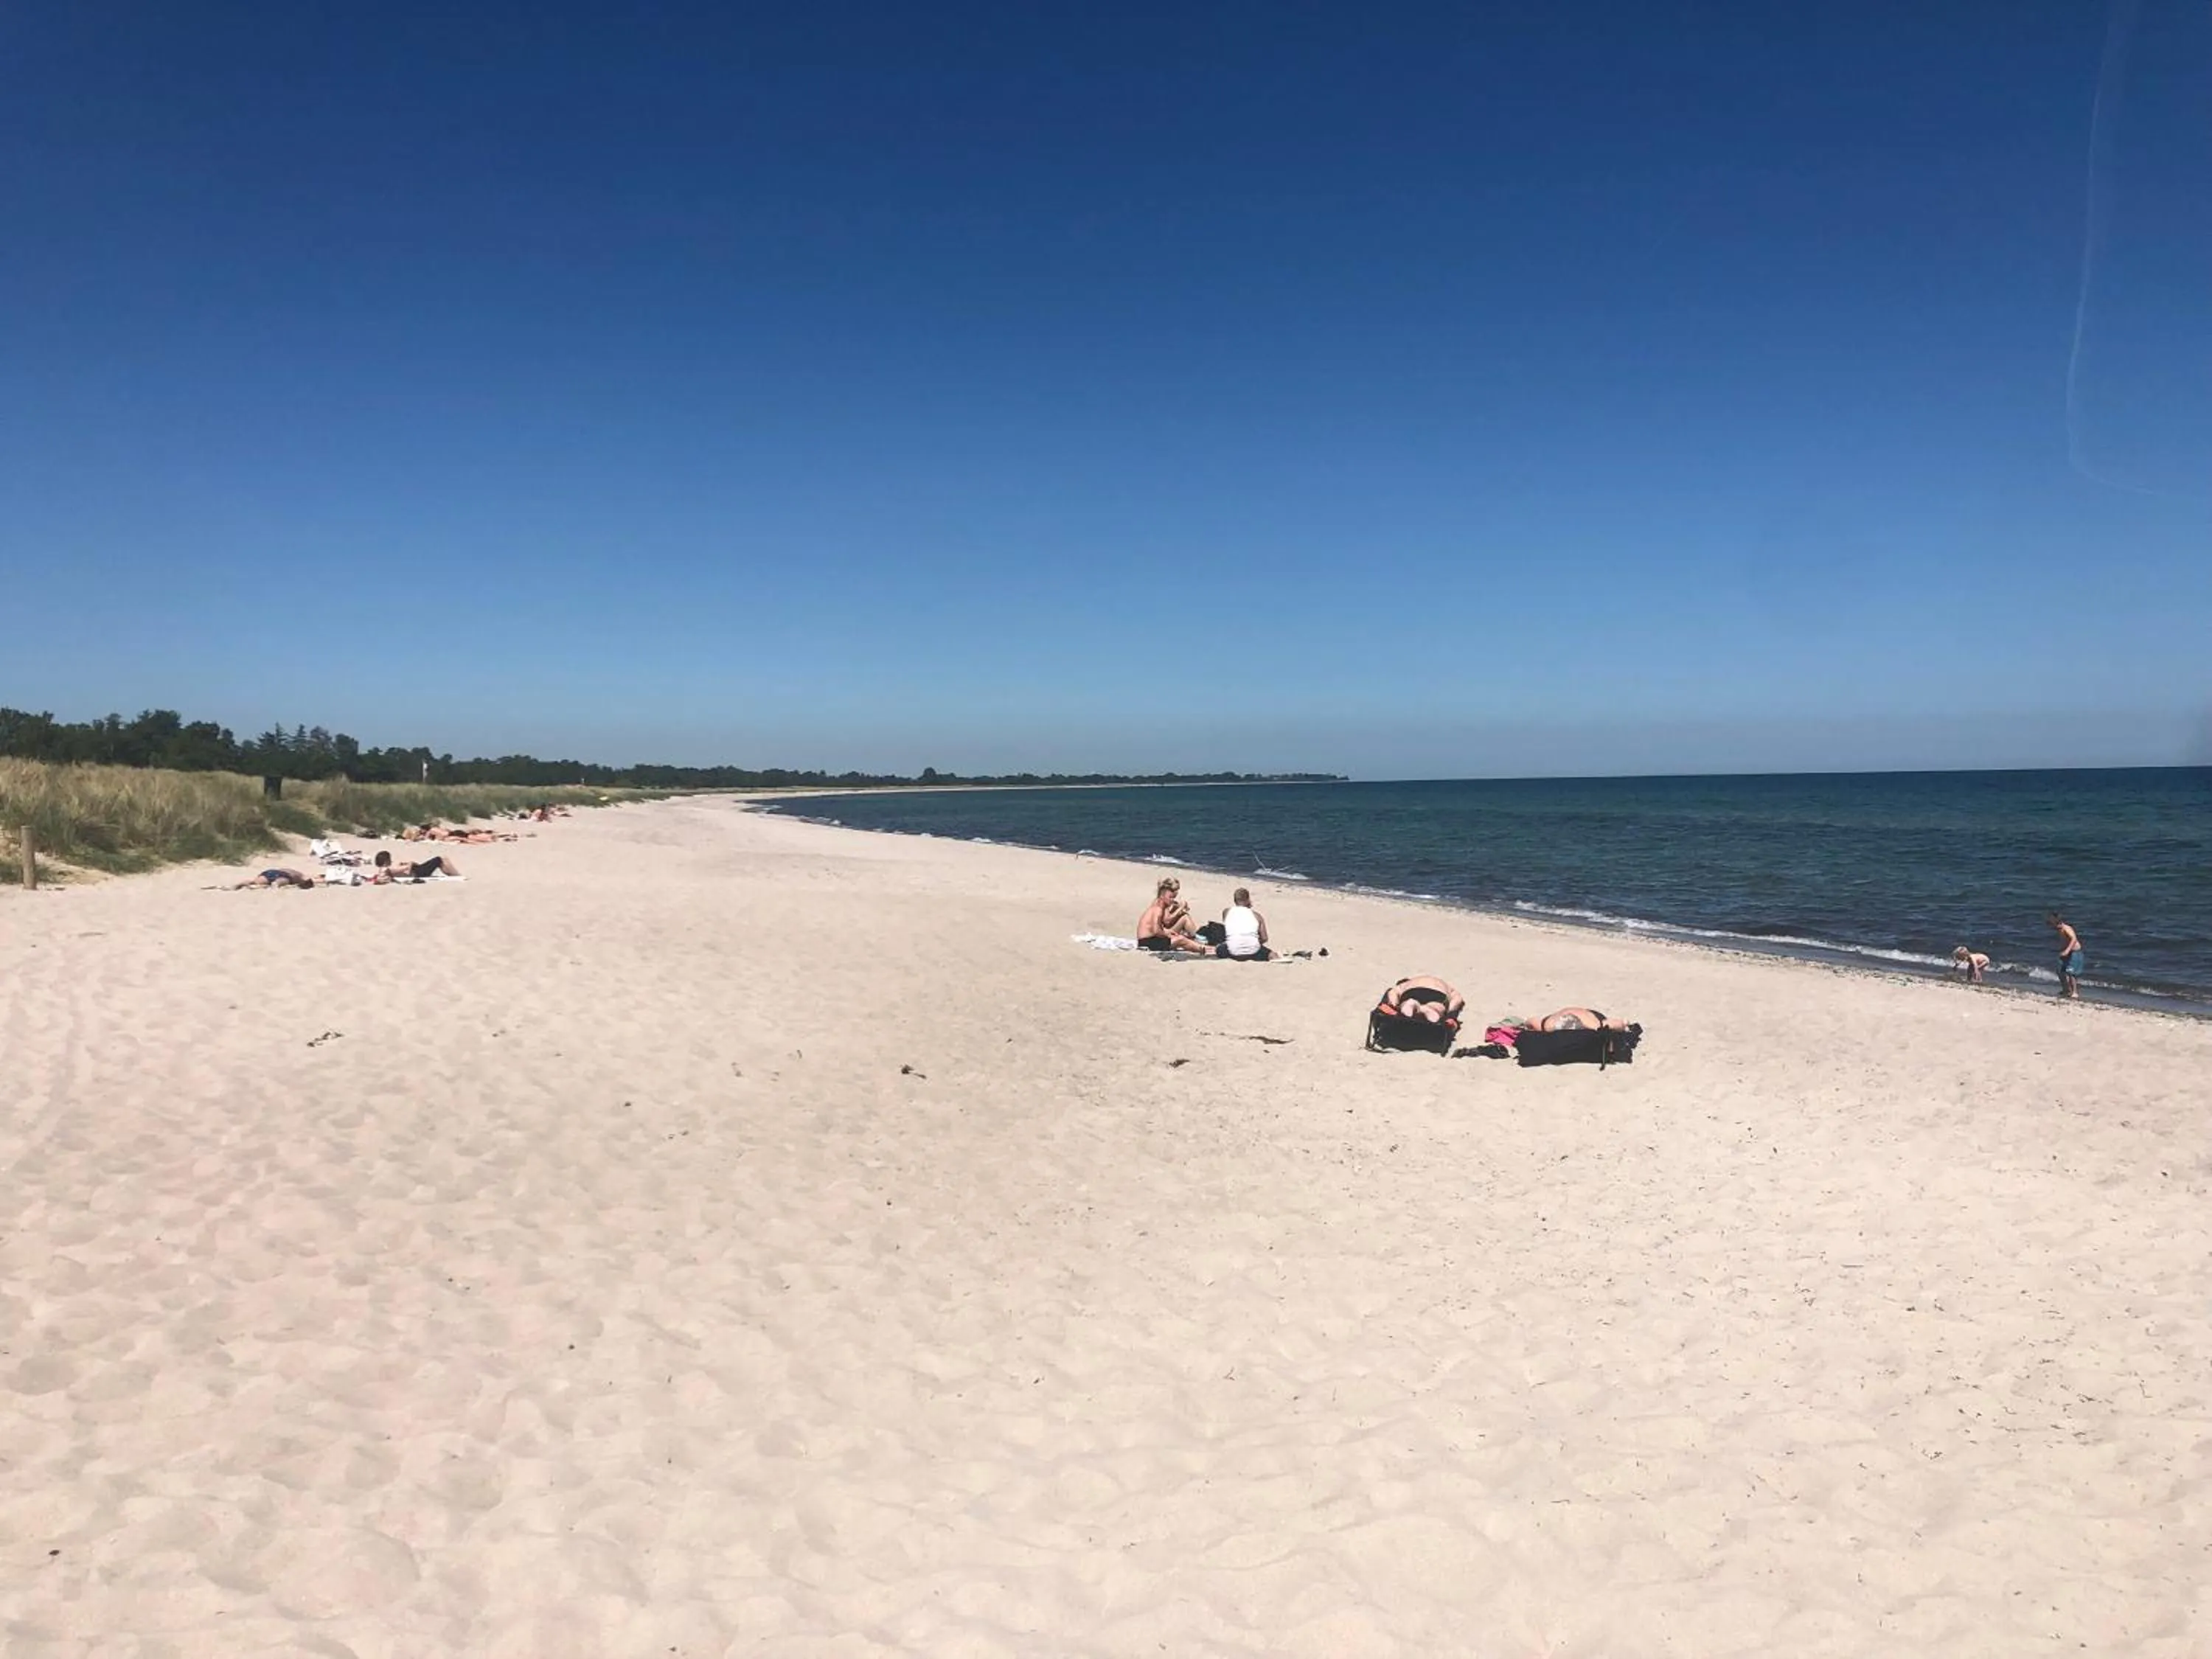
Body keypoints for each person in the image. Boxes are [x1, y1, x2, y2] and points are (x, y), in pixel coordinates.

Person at [1136, 877, 1208, 953]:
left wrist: (1167, 932)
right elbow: (1157, 930)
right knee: (1181, 939)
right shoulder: (1158, 909)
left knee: (1182, 936)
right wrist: (1168, 935)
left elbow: (1160, 925)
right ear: (1162, 895)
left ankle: (1200, 944)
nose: (1172, 900)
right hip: (1147, 942)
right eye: (1170, 897)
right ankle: (1204, 949)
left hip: (1151, 939)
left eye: (1174, 897)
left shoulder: (1161, 904)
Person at [1217, 888, 1272, 960]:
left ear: (1235, 900)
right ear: (1248, 900)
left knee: (1219, 949)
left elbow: (1231, 927)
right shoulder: (1257, 916)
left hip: (1233, 950)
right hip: (1253, 951)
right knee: (1272, 954)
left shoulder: (1226, 912)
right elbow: (1264, 938)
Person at [1381, 975, 1463, 1023]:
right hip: (1438, 992)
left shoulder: (1405, 984)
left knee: (1408, 1002)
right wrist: (1449, 1012)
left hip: (1412, 991)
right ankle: (1430, 1009)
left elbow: (1393, 992)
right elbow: (1457, 998)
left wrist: (1393, 1005)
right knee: (1436, 1006)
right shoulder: (1445, 984)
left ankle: (1411, 1004)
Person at [2048, 912, 2084, 1000]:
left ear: (2059, 923)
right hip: (2065, 952)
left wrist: (2067, 950)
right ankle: (2066, 990)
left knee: (2071, 972)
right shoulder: (2060, 930)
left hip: (2074, 953)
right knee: (2060, 970)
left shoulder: (2066, 928)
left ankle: (2074, 992)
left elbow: (2074, 939)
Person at [372, 850, 462, 883]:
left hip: (417, 870)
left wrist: (406, 864)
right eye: (389, 859)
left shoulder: (384, 870)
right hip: (419, 872)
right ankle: (456, 875)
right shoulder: (388, 869)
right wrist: (410, 864)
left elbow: (400, 870)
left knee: (442, 860)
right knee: (440, 859)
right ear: (386, 861)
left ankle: (454, 875)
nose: (391, 861)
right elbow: (406, 869)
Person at [234, 867, 317, 888]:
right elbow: (312, 879)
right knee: (280, 882)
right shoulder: (301, 876)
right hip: (284, 875)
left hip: (271, 872)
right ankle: (275, 885)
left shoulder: (295, 872)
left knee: (254, 881)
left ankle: (237, 885)